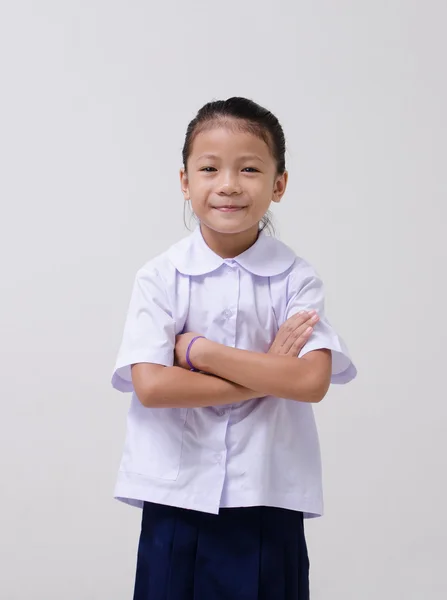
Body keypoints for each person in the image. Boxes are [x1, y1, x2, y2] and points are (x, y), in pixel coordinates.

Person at [111, 97, 357, 600]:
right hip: (175, 497)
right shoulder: (161, 276)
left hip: (267, 494)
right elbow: (153, 386)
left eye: (249, 169)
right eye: (209, 168)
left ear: (279, 184)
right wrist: (269, 373)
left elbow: (310, 382)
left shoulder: (297, 279)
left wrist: (200, 351)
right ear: (185, 181)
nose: (228, 184)